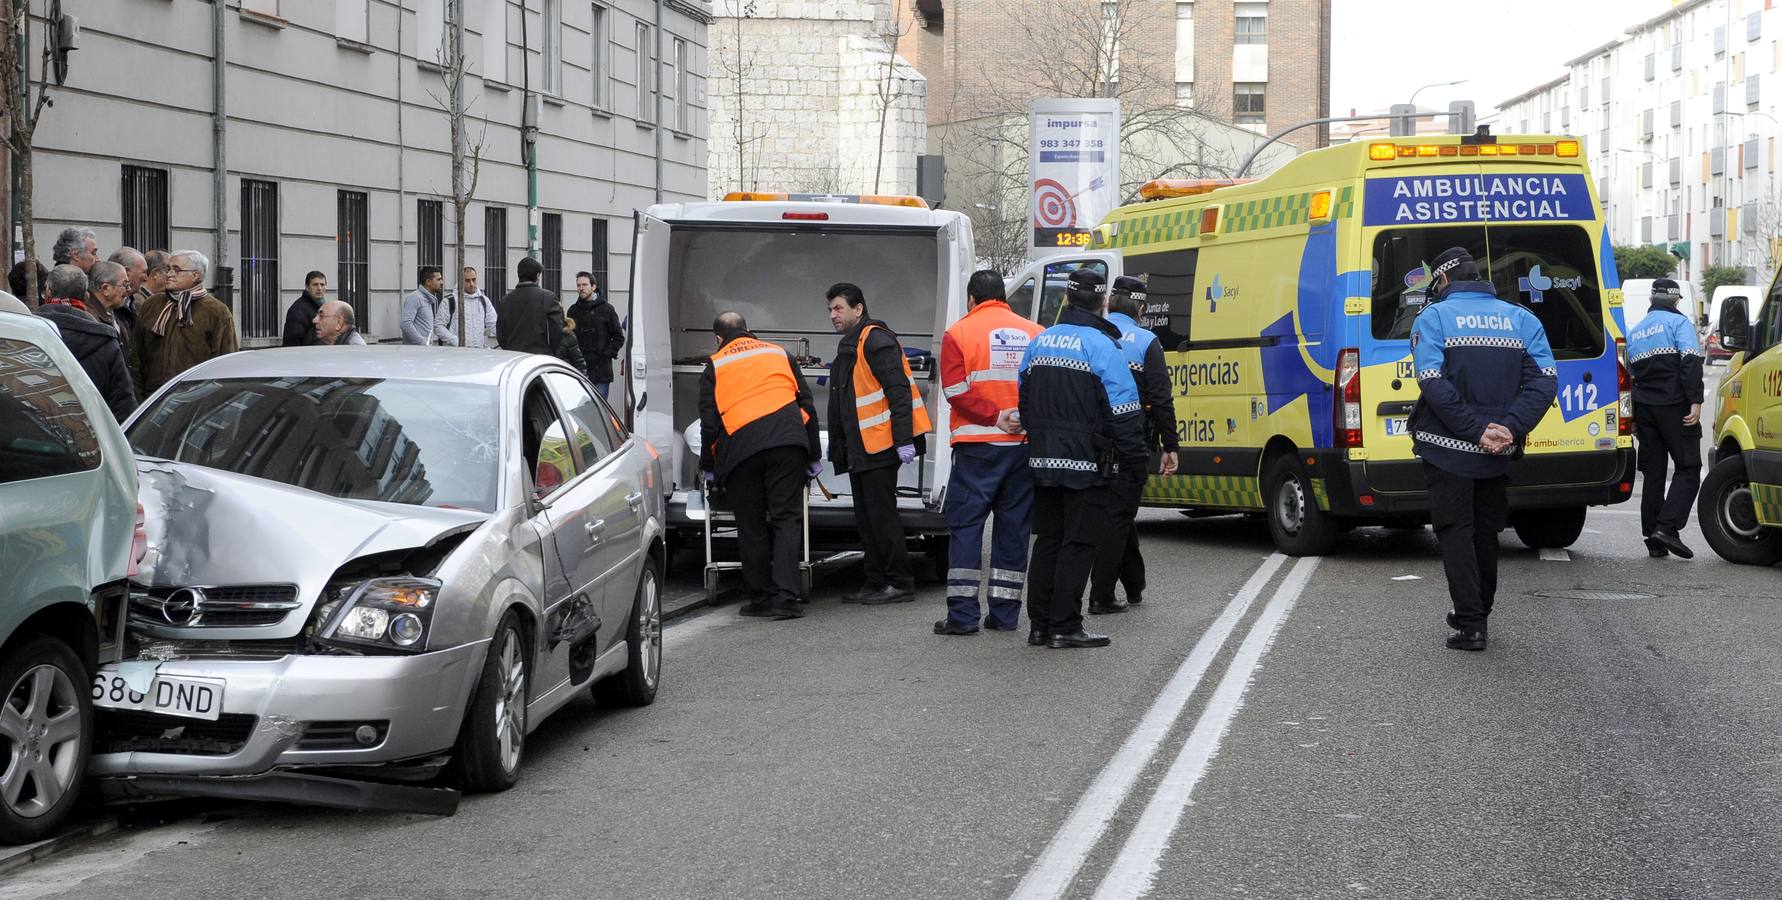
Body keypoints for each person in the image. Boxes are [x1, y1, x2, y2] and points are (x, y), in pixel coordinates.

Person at [1409, 247, 1558, 652]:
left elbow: (1431, 382)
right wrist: (1509, 428)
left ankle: (1471, 624)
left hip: (1447, 449)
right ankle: (1477, 612)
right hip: (1498, 454)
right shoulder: (1522, 319)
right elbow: (1545, 382)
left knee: (1456, 532)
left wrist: (1476, 431)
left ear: (1442, 281)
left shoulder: (1434, 318)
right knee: (1486, 533)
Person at [1018, 269, 1146, 649]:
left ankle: (1039, 625)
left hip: (1041, 461)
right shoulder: (1104, 347)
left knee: (1047, 542)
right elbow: (1124, 411)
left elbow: (1024, 400)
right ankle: (1065, 625)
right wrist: (1135, 461)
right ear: (1102, 303)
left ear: (1067, 300)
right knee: (1079, 543)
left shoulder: (1040, 342)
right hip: (1088, 464)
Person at [932, 270, 1043, 636]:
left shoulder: (959, 333)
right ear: (1003, 297)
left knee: (967, 526)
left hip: (978, 446)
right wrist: (1022, 418)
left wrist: (996, 417)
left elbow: (956, 390)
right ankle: (1005, 615)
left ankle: (963, 617)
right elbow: (1043, 387)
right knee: (1013, 530)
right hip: (1023, 446)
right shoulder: (1034, 332)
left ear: (971, 299)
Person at [698, 312, 823, 620]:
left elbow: (710, 424)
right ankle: (787, 598)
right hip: (787, 444)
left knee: (751, 525)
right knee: (787, 520)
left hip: (742, 450)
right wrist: (813, 454)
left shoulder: (715, 364)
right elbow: (805, 404)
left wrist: (709, 465)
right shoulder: (778, 353)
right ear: (749, 331)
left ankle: (762, 598)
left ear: (718, 338)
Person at [825, 281, 932, 605]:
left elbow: (898, 392)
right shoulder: (854, 343)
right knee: (868, 519)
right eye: (830, 309)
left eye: (839, 308)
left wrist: (903, 440)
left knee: (882, 518)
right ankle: (875, 581)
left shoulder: (875, 340)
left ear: (858, 308)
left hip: (880, 446)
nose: (833, 315)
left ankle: (899, 581)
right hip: (863, 447)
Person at [1088, 275, 1182, 615]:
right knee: (1119, 514)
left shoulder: (1092, 334)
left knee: (1117, 512)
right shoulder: (1146, 341)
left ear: (1108, 304)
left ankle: (1133, 583)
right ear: (1141, 309)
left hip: (1088, 438)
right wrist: (1171, 445)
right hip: (1130, 437)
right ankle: (1101, 594)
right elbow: (1160, 398)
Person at [1627, 277, 1705, 559]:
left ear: (1651, 300)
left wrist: (1634, 417)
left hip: (1645, 409)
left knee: (1654, 474)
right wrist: (1695, 400)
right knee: (1689, 468)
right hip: (1675, 406)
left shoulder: (1635, 332)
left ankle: (1653, 539)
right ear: (1675, 300)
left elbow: (1631, 377)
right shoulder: (1679, 324)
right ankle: (1667, 528)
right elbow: (1690, 362)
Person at [36, 265, 135, 421]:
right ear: (86, 296)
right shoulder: (105, 340)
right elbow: (123, 404)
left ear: (48, 292)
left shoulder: (27, 332)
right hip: (92, 433)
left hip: (33, 436)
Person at [132, 250, 238, 397]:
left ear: (195, 275)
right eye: (168, 269)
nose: (169, 274)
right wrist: (139, 396)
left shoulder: (216, 311)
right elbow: (136, 355)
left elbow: (226, 362)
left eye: (176, 270)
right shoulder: (152, 304)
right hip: (152, 398)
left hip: (196, 400)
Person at [567, 271, 624, 397]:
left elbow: (619, 337)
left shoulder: (607, 309)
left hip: (601, 372)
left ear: (593, 287)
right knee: (580, 410)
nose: (581, 288)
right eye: (578, 285)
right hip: (579, 370)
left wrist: (607, 354)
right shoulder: (573, 311)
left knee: (599, 410)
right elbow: (568, 339)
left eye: (584, 285)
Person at [497, 257, 566, 356]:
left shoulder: (505, 301)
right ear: (537, 275)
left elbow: (501, 335)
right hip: (540, 358)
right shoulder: (549, 298)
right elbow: (556, 332)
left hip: (514, 359)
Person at [445, 266, 499, 349]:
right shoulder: (449, 301)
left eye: (474, 279)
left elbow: (494, 324)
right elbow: (438, 326)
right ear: (460, 281)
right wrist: (454, 340)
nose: (471, 284)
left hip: (478, 353)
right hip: (455, 353)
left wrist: (507, 338)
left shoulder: (484, 300)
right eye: (467, 280)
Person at [400, 266, 457, 346]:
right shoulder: (414, 298)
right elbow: (405, 324)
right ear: (428, 282)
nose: (442, 282)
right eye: (438, 279)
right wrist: (422, 343)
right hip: (414, 353)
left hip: (424, 352)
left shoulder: (428, 299)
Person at [283, 271, 328, 347]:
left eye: (322, 284)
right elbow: (291, 342)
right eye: (315, 285)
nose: (319, 288)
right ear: (307, 287)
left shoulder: (325, 306)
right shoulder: (297, 310)